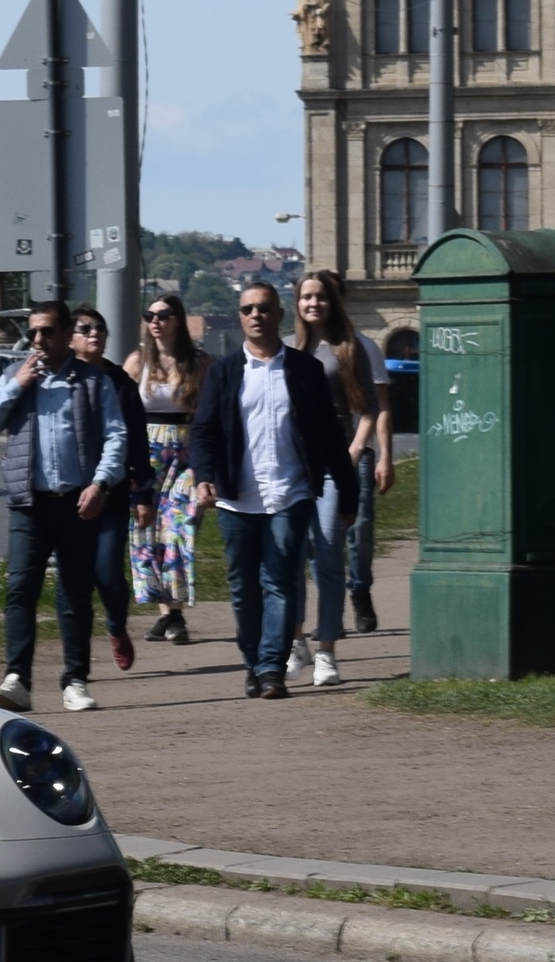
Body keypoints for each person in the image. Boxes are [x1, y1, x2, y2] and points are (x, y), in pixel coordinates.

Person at [189, 283, 359, 700]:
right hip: (236, 496)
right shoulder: (224, 371)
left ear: (278, 314)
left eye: (264, 308)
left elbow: (329, 435)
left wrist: (348, 491)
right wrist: (204, 475)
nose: (256, 315)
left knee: (281, 581)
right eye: (248, 309)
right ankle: (252, 660)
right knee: (243, 587)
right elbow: (204, 430)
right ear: (239, 316)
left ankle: (271, 669)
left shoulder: (305, 370)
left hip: (291, 492)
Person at [0, 301, 130, 715]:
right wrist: (17, 384)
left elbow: (117, 438)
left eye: (47, 332)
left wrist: (100, 484)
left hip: (77, 503)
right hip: (29, 504)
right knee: (20, 589)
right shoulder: (17, 375)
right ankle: (17, 679)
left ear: (66, 334)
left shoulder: (94, 383)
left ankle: (75, 680)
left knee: (75, 594)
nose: (38, 340)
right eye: (33, 333)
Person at [290, 269, 392, 683]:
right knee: (291, 556)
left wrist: (355, 452)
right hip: (295, 466)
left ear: (333, 302)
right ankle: (296, 642)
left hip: (337, 463)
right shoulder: (286, 349)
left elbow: (370, 406)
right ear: (297, 304)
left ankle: (327, 650)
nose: (313, 304)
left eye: (320, 297)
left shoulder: (350, 349)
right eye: (306, 297)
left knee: (330, 552)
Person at [69, 306, 154, 673]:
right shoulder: (63, 380)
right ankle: (77, 663)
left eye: (99, 328)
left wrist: (144, 493)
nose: (94, 334)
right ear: (70, 337)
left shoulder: (121, 384)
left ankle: (116, 625)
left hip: (113, 494)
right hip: (67, 496)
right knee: (75, 583)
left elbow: (138, 443)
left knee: (106, 572)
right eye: (85, 328)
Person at [123, 292, 205, 644]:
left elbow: (210, 414)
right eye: (150, 315)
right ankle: (167, 613)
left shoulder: (199, 363)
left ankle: (174, 612)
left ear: (178, 320)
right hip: (147, 453)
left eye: (164, 315)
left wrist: (208, 468)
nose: (155, 321)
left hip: (186, 456)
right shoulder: (137, 362)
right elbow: (123, 414)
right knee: (146, 534)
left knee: (177, 530)